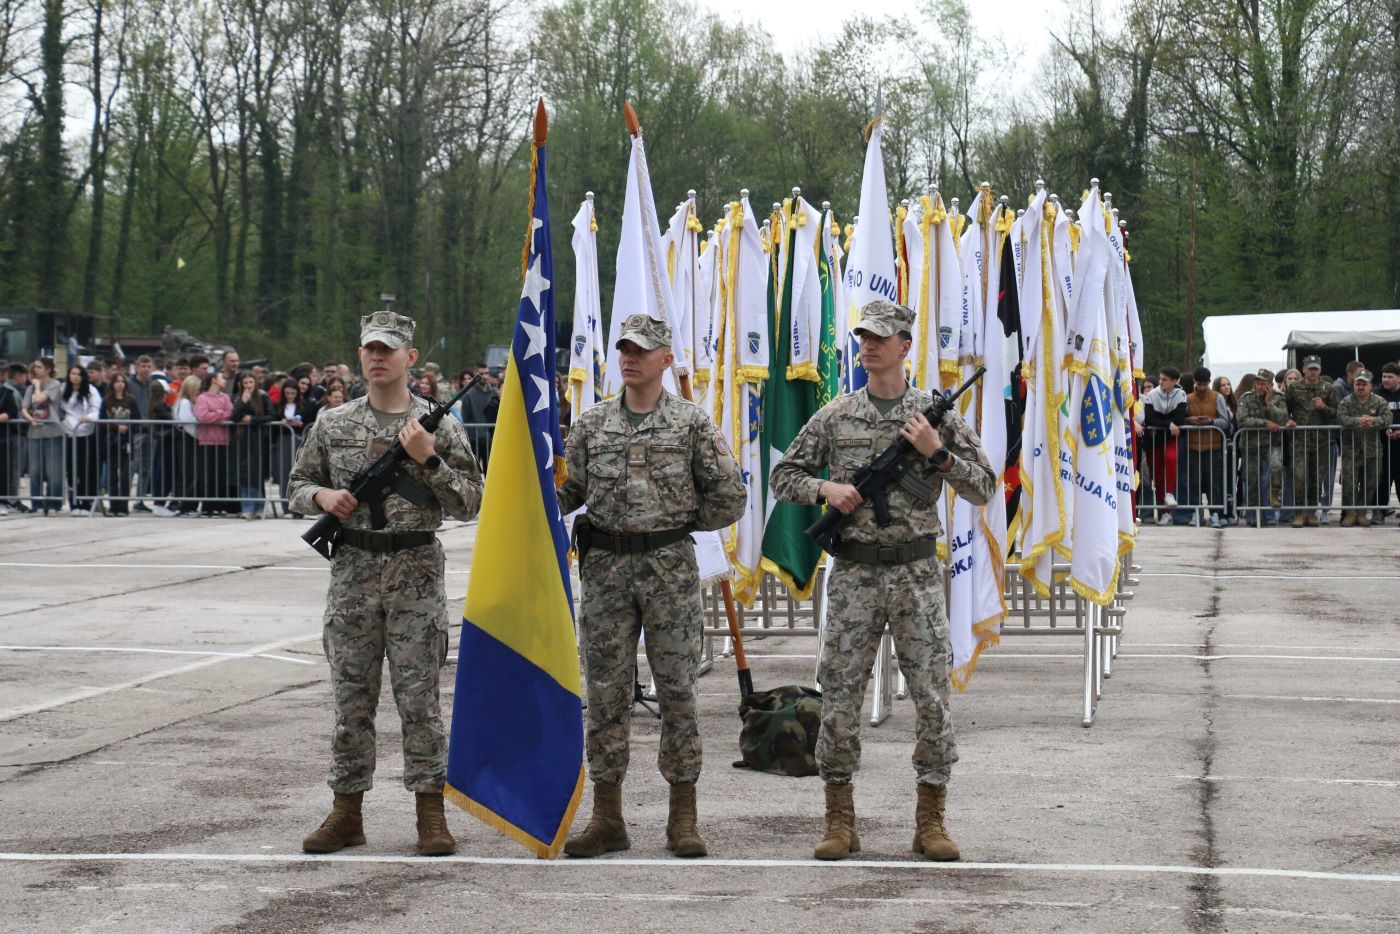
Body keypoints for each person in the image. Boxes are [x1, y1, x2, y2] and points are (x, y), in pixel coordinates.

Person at [771, 301, 995, 863]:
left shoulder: (933, 416)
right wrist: (827, 492)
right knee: (841, 698)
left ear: (904, 346)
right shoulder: (837, 414)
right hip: (854, 573)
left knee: (932, 700)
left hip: (917, 573)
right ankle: (840, 820)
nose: (870, 346)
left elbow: (985, 486)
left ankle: (931, 821)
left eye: (882, 337)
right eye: (864, 337)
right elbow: (783, 475)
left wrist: (936, 455)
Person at [289, 310, 483, 857]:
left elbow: (471, 500)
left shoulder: (438, 425)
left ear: (410, 359)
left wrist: (430, 462)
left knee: (419, 700)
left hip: (415, 574)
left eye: (389, 349)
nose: (378, 357)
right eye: (370, 349)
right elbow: (298, 484)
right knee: (352, 699)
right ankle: (346, 812)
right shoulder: (334, 422)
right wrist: (322, 499)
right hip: (352, 572)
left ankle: (430, 814)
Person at [557, 314, 745, 861]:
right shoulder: (592, 424)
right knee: (605, 696)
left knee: (678, 692)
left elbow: (730, 496)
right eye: (624, 349)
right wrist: (541, 494)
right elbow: (571, 492)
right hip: (607, 571)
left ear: (666, 359)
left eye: (642, 350)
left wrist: (676, 522)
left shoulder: (690, 424)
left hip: (669, 570)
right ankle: (607, 816)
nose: (630, 357)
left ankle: (682, 816)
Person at [1284, 355, 1338, 527]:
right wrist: (1288, 420)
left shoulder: (1328, 388)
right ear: (1304, 369)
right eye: (1310, 368)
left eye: (1316, 369)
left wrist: (1324, 407)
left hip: (1321, 440)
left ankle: (1312, 512)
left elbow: (1336, 413)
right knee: (1299, 477)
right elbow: (1285, 409)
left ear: (1320, 370)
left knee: (1316, 478)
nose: (1313, 372)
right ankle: (1298, 513)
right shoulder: (1294, 388)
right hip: (1300, 440)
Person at [1336, 369, 1391, 526]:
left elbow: (1388, 417)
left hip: (1372, 450)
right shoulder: (1346, 401)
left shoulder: (1379, 401)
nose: (1360, 387)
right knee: (1349, 483)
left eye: (1364, 384)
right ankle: (1349, 513)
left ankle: (1361, 512)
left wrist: (1373, 421)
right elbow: (1341, 418)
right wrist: (1358, 421)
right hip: (1350, 450)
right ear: (1354, 385)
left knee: (1370, 483)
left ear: (1370, 386)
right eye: (1358, 384)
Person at [1234, 370, 1287, 526]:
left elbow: (1283, 418)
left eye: (1263, 383)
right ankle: (1252, 515)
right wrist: (1264, 423)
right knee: (1252, 481)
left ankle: (1271, 507)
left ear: (1270, 385)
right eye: (1258, 382)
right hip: (1251, 446)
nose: (1259, 386)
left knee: (1275, 467)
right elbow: (1243, 420)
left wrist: (1269, 404)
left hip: (1272, 443)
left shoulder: (1278, 398)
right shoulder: (1247, 398)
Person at [1182, 366, 1230, 527]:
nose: (1202, 388)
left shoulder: (1217, 397)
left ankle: (1215, 513)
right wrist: (1190, 421)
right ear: (1195, 382)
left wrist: (1211, 422)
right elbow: (1182, 418)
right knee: (1194, 482)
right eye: (1199, 384)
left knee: (1214, 483)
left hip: (1213, 446)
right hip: (1193, 447)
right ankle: (1197, 513)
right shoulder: (1188, 398)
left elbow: (1225, 421)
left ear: (1209, 382)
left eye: (1205, 384)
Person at [1138, 367, 1186, 524]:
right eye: (1160, 379)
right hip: (1154, 440)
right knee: (1158, 477)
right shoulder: (1152, 395)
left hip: (1171, 438)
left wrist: (1169, 422)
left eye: (1165, 379)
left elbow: (1180, 418)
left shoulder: (1181, 395)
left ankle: (1169, 493)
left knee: (1170, 457)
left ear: (1174, 381)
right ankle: (1164, 512)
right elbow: (1150, 419)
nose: (1161, 382)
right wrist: (1169, 423)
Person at [21, 359, 64, 515]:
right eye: (34, 367)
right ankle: (36, 503)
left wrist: (37, 385)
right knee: (35, 470)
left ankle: (55, 503)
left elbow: (40, 399)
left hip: (52, 431)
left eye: (39, 367)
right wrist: (29, 418)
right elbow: (25, 407)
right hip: (34, 433)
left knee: (53, 470)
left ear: (48, 369)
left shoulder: (54, 385)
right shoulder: (30, 388)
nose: (36, 370)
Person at [231, 371, 276, 519]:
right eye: (246, 383)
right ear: (241, 384)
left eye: (251, 382)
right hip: (242, 439)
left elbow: (271, 415)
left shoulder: (263, 396)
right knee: (244, 475)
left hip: (258, 439)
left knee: (256, 475)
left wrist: (252, 419)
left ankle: (259, 506)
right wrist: (243, 403)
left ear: (255, 383)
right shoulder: (238, 397)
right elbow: (235, 417)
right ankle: (247, 507)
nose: (249, 386)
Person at [61, 364, 104, 515]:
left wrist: (89, 418)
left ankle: (85, 503)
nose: (75, 377)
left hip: (85, 434)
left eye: (78, 374)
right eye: (72, 373)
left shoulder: (91, 390)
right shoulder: (63, 389)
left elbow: (97, 409)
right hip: (68, 433)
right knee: (71, 470)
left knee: (84, 470)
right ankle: (74, 503)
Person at [271, 378, 313, 518]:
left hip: (299, 439)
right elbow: (274, 419)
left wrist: (301, 423)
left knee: (298, 472)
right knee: (284, 472)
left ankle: (299, 508)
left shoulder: (304, 405)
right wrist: (281, 422)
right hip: (283, 439)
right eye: (287, 393)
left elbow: (310, 421)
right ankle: (286, 506)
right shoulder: (278, 406)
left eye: (293, 393)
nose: (290, 396)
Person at [194, 372, 233, 514]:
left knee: (221, 475)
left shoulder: (225, 397)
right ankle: (208, 506)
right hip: (207, 442)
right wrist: (220, 414)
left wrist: (215, 414)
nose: (224, 380)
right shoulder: (202, 398)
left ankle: (220, 505)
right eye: (221, 378)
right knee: (208, 475)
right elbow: (202, 416)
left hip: (223, 441)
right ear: (214, 380)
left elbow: (230, 413)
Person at [100, 371, 138, 515]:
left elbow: (137, 420)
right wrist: (116, 427)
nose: (120, 384)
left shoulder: (131, 400)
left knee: (125, 475)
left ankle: (123, 506)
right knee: (112, 476)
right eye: (117, 381)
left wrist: (128, 427)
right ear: (113, 384)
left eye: (122, 381)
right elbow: (101, 421)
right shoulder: (106, 400)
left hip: (126, 442)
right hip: (111, 442)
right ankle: (114, 506)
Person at [170, 375, 202, 515]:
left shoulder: (183, 401)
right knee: (190, 473)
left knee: (191, 473)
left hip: (187, 439)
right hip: (187, 440)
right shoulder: (184, 402)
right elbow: (187, 422)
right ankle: (187, 506)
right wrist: (200, 435)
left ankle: (188, 505)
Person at [0, 363, 27, 513]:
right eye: (24, 376)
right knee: (12, 469)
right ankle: (9, 500)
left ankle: (11, 500)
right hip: (11, 436)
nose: (25, 379)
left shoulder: (8, 390)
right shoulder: (10, 392)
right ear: (17, 376)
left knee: (13, 469)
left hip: (10, 436)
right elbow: (10, 413)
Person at [1377, 363, 1400, 523]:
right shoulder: (1377, 395)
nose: (1386, 380)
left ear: (1399, 378)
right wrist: (1383, 428)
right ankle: (1380, 511)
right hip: (1382, 445)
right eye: (1384, 376)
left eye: (1390, 377)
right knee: (1382, 480)